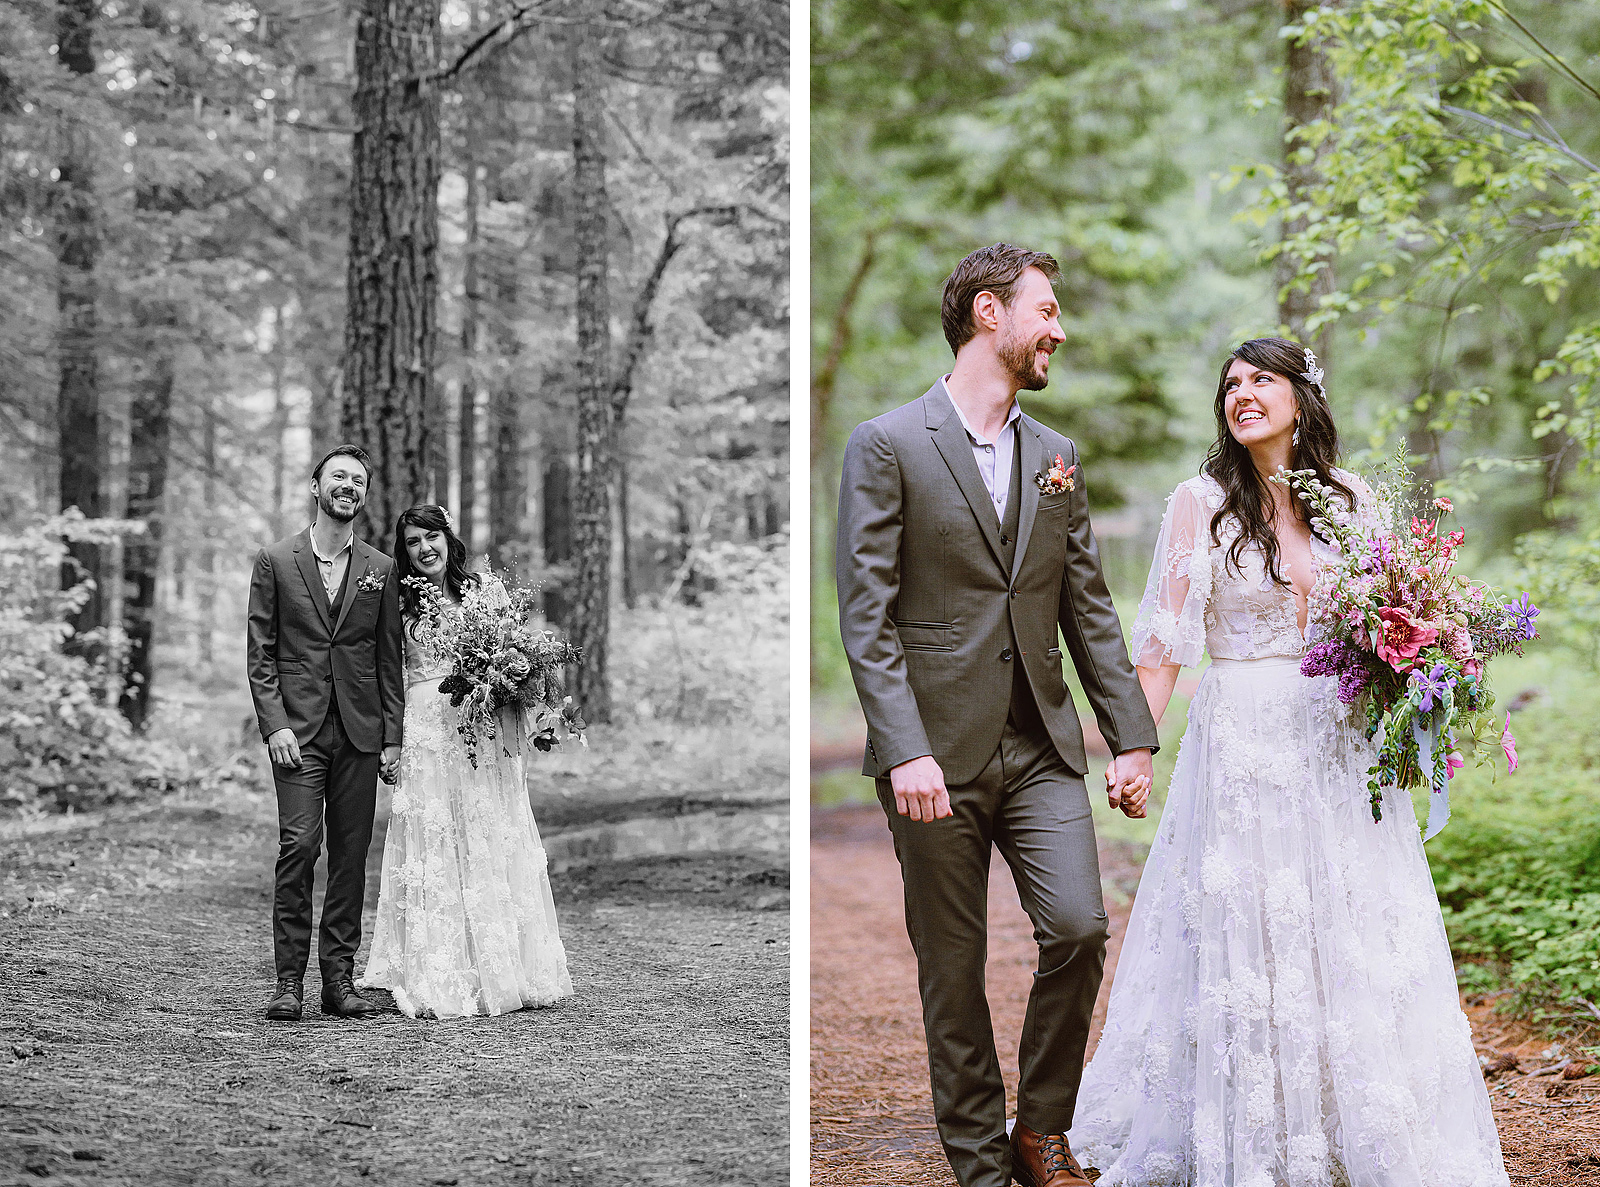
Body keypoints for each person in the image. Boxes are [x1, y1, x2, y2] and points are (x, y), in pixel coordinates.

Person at [1067, 338, 1509, 1184]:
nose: (1242, 393)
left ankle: (1353, 1117)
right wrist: (1134, 744)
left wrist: (1422, 688)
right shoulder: (1199, 504)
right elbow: (1163, 644)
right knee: (1250, 923)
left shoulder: (1354, 500)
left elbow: (1391, 626)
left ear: (1301, 398)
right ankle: (1249, 1125)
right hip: (1241, 739)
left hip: (1338, 750)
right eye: (1230, 384)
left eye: (1261, 379)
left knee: (1345, 919)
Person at [836, 243, 1160, 1187]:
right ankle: (979, 1161)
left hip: (1041, 744)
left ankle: (1042, 1126)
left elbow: (1088, 606)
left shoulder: (1056, 456)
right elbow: (867, 615)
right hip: (932, 754)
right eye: (1046, 309)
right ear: (990, 313)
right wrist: (904, 750)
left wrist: (1131, 732)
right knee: (954, 963)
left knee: (1077, 927)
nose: (1059, 327)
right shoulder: (888, 443)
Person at [358, 504, 573, 1019]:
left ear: (447, 539)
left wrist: (520, 695)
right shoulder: (400, 601)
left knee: (489, 829)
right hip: (427, 728)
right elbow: (389, 675)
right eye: (412, 542)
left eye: (431, 536)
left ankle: (504, 965)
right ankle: (438, 967)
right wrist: (389, 741)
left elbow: (515, 654)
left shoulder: (485, 590)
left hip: (482, 727)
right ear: (404, 552)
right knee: (436, 836)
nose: (424, 548)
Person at [246, 444, 405, 1022]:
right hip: (299, 734)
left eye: (358, 481)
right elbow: (260, 653)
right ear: (317, 488)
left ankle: (338, 983)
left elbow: (389, 660)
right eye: (338, 477)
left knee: (349, 857)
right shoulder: (275, 561)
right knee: (299, 845)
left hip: (361, 735)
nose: (348, 486)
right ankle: (288, 982)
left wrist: (393, 737)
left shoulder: (382, 570)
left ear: (363, 496)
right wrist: (275, 726)